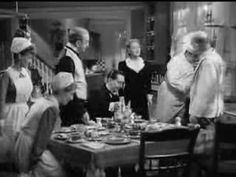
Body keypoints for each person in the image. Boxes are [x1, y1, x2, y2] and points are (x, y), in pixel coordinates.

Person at [13, 72, 76, 177]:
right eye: (71, 94)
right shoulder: (52, 108)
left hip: (22, 142)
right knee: (57, 172)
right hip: (29, 148)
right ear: (62, 91)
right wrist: (33, 162)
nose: (72, 98)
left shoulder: (44, 100)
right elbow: (40, 140)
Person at [155, 33, 201, 124]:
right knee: (164, 124)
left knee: (178, 125)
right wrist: (187, 88)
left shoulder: (191, 64)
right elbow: (172, 80)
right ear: (188, 53)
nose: (196, 59)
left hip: (180, 99)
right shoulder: (177, 61)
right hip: (169, 98)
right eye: (195, 57)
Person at [188, 31, 225, 128]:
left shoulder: (208, 62)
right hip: (212, 110)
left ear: (197, 44)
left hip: (205, 114)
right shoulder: (216, 57)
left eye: (192, 44)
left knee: (203, 140)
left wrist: (196, 114)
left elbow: (205, 90)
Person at [55, 27, 90, 126]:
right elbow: (68, 88)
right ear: (78, 43)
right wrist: (81, 111)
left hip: (77, 105)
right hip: (72, 107)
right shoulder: (67, 57)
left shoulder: (72, 55)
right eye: (86, 42)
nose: (88, 45)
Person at [0, 37, 34, 137]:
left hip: (25, 113)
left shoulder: (26, 72)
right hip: (11, 115)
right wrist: (1, 121)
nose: (30, 61)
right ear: (19, 56)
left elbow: (29, 97)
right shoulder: (7, 74)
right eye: (28, 57)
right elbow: (1, 99)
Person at [118, 39, 152, 120]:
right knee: (129, 121)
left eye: (138, 47)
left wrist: (149, 95)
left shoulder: (146, 65)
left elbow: (148, 82)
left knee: (143, 121)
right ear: (129, 50)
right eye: (134, 48)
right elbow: (120, 83)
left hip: (142, 98)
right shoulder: (123, 65)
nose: (137, 50)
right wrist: (121, 96)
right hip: (128, 98)